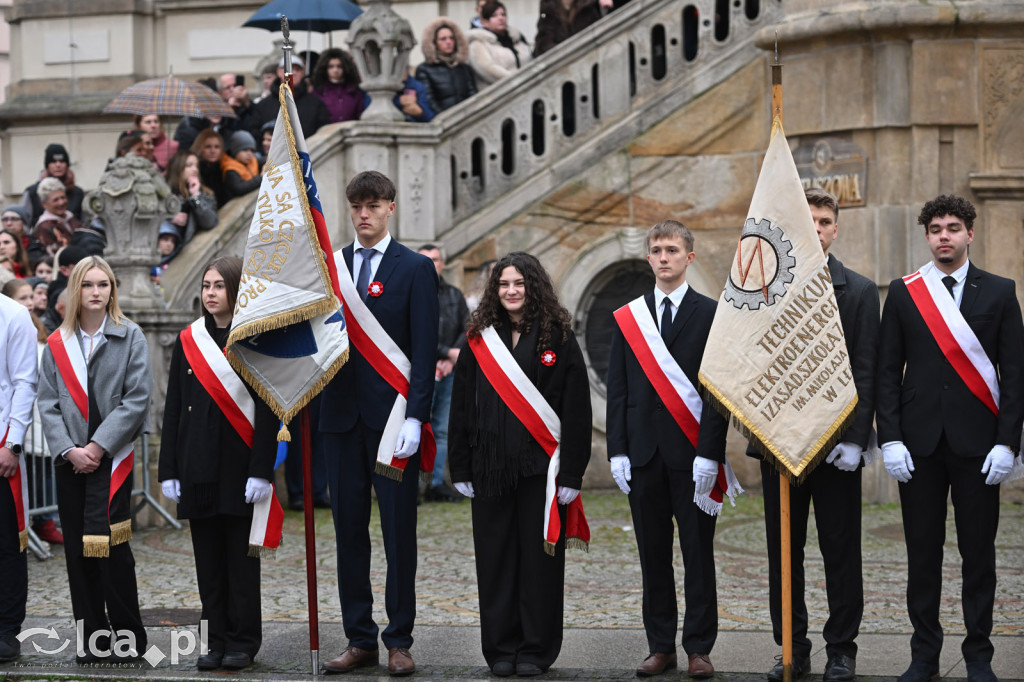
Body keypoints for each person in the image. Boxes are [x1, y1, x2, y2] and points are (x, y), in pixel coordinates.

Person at [877, 194, 1024, 682]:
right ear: (926, 236)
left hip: (979, 448)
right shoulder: (904, 292)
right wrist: (890, 438)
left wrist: (1009, 443)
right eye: (936, 228)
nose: (945, 235)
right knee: (923, 556)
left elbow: (1016, 374)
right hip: (917, 448)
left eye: (954, 227)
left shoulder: (1001, 292)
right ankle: (925, 657)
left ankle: (979, 656)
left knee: (978, 556)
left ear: (970, 234)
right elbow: (885, 373)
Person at [751, 188, 879, 682]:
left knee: (840, 550)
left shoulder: (861, 291)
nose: (817, 227)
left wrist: (855, 437)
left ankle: (841, 650)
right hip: (778, 442)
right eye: (808, 220)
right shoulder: (765, 286)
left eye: (825, 220)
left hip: (835, 447)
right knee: (783, 551)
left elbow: (866, 369)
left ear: (835, 228)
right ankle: (793, 647)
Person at [449, 251, 591, 677]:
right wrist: (460, 467)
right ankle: (500, 650)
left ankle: (535, 649)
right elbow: (461, 407)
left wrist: (572, 473)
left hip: (541, 472)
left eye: (519, 284)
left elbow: (578, 409)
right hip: (488, 469)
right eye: (504, 285)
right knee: (494, 562)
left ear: (534, 288)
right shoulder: (478, 338)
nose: (511, 292)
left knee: (539, 563)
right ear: (495, 290)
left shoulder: (558, 336)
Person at [319, 171, 438, 676]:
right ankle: (359, 636)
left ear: (391, 208)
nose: (364, 214)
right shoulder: (331, 267)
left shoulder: (414, 268)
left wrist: (416, 415)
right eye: (356, 206)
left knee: (397, 532)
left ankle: (399, 639)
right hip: (341, 420)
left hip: (393, 422)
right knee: (348, 530)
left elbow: (425, 348)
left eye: (373, 205)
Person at [605, 220, 728, 679]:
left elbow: (718, 391)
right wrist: (617, 449)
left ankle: (698, 647)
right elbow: (617, 389)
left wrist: (710, 452)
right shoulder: (627, 317)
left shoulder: (712, 314)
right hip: (642, 456)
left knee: (698, 554)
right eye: (656, 250)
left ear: (688, 258)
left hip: (694, 456)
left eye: (672, 250)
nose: (663, 257)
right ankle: (660, 646)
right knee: (652, 555)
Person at [158, 257, 278, 671]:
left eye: (218, 286)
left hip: (240, 466)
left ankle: (243, 641)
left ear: (236, 289)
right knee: (208, 563)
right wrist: (168, 469)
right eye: (206, 285)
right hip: (197, 465)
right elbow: (173, 408)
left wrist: (263, 469)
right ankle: (214, 640)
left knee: (240, 564)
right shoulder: (188, 339)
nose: (210, 293)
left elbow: (268, 409)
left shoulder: (256, 338)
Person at [36, 255, 152, 663]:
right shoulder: (56, 343)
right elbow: (47, 403)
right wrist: (69, 449)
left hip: (112, 458)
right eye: (88, 285)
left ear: (112, 290)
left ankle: (127, 637)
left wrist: (97, 447)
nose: (97, 292)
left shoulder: (130, 335)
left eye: (104, 285)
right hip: (70, 461)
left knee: (112, 550)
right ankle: (92, 639)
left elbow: (137, 400)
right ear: (75, 290)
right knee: (77, 552)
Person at [0, 289, 38, 663]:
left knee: (7, 542)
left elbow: (24, 382)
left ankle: (6, 629)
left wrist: (12, 443)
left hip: (0, 445)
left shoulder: (13, 314)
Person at [417, 244, 468, 502]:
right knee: (416, 425)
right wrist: (445, 353)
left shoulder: (454, 294)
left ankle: (435, 483)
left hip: (448, 372)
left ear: (443, 263)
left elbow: (468, 327)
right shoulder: (411, 291)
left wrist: (451, 358)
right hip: (419, 373)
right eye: (425, 260)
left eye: (435, 260)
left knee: (442, 429)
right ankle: (413, 487)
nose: (431, 265)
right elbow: (413, 333)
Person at [251, 55, 331, 141]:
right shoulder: (263, 105)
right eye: (289, 69)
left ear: (303, 73)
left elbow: (323, 131)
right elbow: (255, 132)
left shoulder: (316, 104)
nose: (293, 73)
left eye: (297, 70)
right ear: (279, 72)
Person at [416, 19, 478, 114]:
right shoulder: (425, 70)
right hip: (443, 123)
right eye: (443, 39)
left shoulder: (464, 68)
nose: (448, 42)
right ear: (434, 43)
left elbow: (473, 95)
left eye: (451, 38)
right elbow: (429, 100)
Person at [467, 2, 534, 87]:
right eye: (494, 16)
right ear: (485, 22)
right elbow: (489, 70)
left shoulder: (516, 38)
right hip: (499, 95)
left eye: (503, 14)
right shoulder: (477, 43)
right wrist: (519, 80)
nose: (500, 18)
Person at [164, 150, 220, 245]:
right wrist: (169, 217)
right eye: (189, 165)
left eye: (196, 166)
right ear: (178, 168)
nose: (195, 169)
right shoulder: (165, 193)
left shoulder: (205, 194)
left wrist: (195, 196)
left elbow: (209, 222)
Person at [21, 143, 85, 225]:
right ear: (47, 166)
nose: (58, 165)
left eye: (62, 161)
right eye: (53, 161)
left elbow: (85, 222)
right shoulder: (32, 192)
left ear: (67, 165)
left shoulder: (77, 193)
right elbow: (24, 223)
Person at [534, 0, 610, 57]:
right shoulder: (548, 9)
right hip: (558, 67)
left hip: (587, 61)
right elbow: (543, 41)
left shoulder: (590, 6)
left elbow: (597, 36)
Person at [310, 48, 366, 123]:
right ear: (324, 68)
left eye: (339, 66)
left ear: (345, 68)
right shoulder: (318, 92)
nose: (335, 70)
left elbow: (360, 116)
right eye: (331, 66)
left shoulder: (355, 92)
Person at [190, 130, 230, 208]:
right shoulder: (194, 170)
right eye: (208, 147)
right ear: (200, 149)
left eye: (217, 147)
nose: (213, 151)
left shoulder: (226, 168)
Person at [221, 131, 263, 201]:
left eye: (252, 150)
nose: (249, 154)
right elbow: (239, 189)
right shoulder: (230, 169)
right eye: (245, 150)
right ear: (235, 150)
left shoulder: (252, 160)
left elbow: (265, 160)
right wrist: (261, 177)